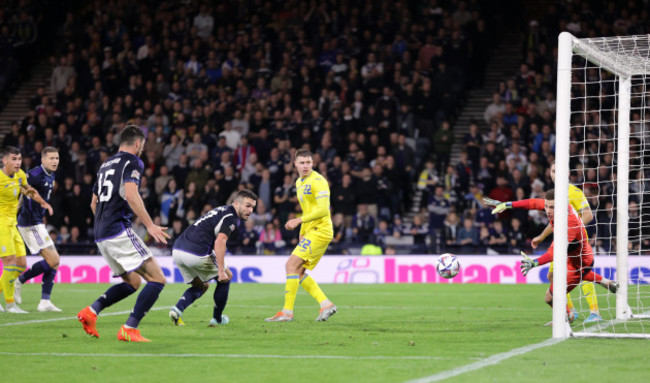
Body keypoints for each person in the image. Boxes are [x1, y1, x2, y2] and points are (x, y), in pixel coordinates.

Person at [77, 125, 170, 342]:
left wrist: (104, 222)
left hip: (101, 234)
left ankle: (91, 311)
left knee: (133, 282)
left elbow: (94, 202)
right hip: (117, 230)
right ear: (137, 143)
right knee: (157, 279)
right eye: (143, 145)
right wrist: (150, 225)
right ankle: (130, 328)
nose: (142, 149)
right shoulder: (133, 161)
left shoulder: (105, 164)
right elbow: (131, 194)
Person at [491, 189, 618, 323]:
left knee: (550, 297)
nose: (548, 210)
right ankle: (606, 283)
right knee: (553, 277)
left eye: (552, 207)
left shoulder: (571, 225)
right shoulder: (554, 204)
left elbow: (555, 253)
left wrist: (535, 262)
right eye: (546, 206)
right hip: (571, 255)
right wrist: (506, 205)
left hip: (580, 261)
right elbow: (532, 203)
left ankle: (568, 316)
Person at [265, 148, 337, 322]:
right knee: (297, 271)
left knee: (290, 265)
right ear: (295, 164)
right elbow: (308, 209)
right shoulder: (299, 182)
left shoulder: (318, 181)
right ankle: (326, 304)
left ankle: (287, 312)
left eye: (308, 162)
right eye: (302, 163)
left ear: (313, 163)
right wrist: (302, 233)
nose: (305, 166)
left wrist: (298, 221)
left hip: (321, 231)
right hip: (310, 231)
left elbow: (322, 209)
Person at [169, 189, 257, 326]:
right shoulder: (231, 218)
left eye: (253, 207)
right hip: (196, 252)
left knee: (201, 286)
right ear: (236, 204)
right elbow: (220, 241)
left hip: (177, 250)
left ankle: (177, 309)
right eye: (247, 205)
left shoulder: (221, 210)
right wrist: (221, 270)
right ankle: (217, 318)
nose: (250, 210)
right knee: (226, 278)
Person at [0, 146, 53, 313]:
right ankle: (10, 305)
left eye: (19, 159)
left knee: (21, 265)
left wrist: (43, 202)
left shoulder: (20, 175)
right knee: (9, 261)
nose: (17, 163)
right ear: (4, 160)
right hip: (1, 224)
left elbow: (28, 190)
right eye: (14, 159)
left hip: (12, 224)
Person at [14, 147, 62, 312]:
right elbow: (24, 189)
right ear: (43, 160)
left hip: (37, 222)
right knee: (54, 260)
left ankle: (45, 301)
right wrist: (43, 203)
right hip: (29, 223)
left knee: (54, 262)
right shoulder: (34, 174)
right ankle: (20, 280)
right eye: (51, 158)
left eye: (57, 158)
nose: (55, 161)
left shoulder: (51, 175)